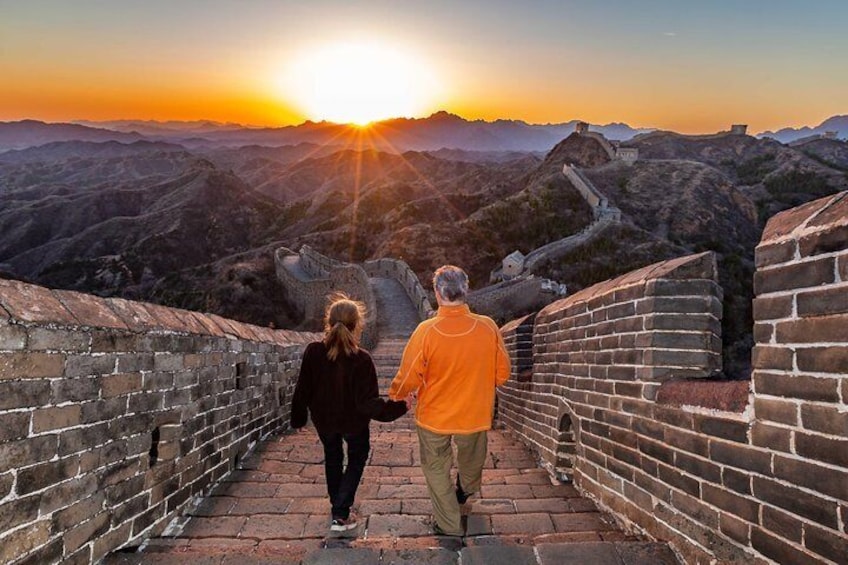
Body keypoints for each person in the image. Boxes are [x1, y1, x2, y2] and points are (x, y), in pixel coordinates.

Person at [388, 265, 511, 536]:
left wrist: (396, 395)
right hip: (474, 413)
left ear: (437, 293)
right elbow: (502, 374)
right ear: (466, 290)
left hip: (434, 416)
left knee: (435, 469)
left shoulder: (427, 331)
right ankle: (465, 492)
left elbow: (408, 374)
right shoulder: (487, 327)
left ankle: (449, 525)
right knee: (471, 461)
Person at [291, 295, 409, 532]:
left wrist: (298, 418)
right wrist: (401, 406)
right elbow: (369, 404)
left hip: (324, 420)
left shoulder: (313, 351)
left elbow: (302, 388)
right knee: (357, 458)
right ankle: (340, 512)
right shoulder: (362, 359)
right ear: (357, 324)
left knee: (333, 458)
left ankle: (338, 507)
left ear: (329, 321)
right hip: (354, 423)